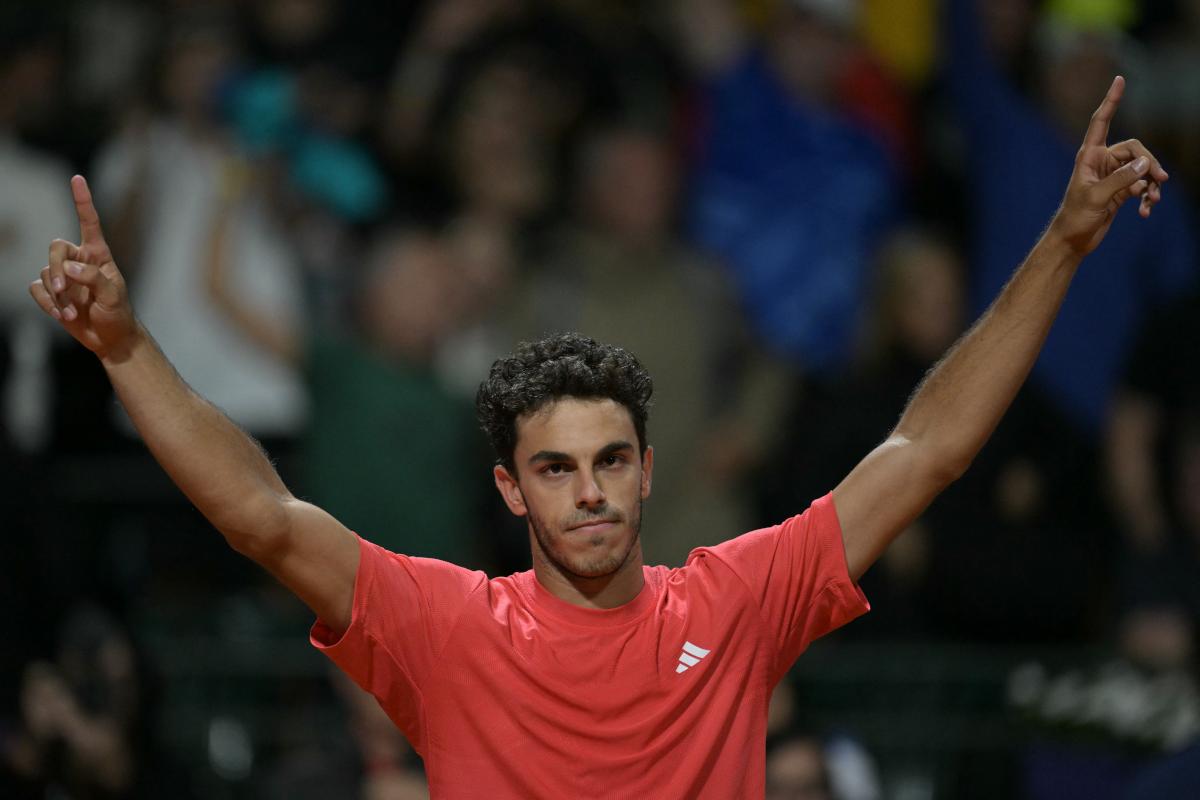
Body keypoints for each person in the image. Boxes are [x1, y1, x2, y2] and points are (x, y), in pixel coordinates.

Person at [28, 76, 1169, 796]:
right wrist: (127, 348)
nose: (588, 491)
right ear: (513, 491)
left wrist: (1064, 242)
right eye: (556, 467)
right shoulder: (449, 626)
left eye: (611, 460)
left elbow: (928, 448)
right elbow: (258, 515)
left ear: (647, 471)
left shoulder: (732, 603)